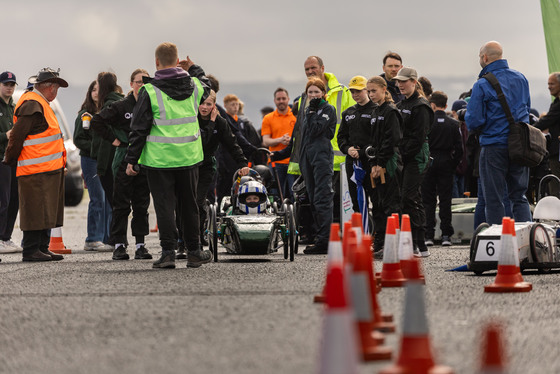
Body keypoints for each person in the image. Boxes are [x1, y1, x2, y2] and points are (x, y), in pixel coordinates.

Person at [125, 42, 213, 269]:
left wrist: (131, 160)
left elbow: (139, 128)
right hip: (189, 157)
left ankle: (167, 253)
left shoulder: (149, 91)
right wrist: (193, 67)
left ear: (156, 63)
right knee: (190, 205)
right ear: (176, 62)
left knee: (164, 207)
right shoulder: (194, 85)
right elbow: (208, 84)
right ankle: (194, 251)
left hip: (159, 160)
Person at [3, 67, 68, 262]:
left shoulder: (42, 103)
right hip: (35, 169)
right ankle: (31, 250)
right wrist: (9, 160)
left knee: (46, 210)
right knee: (35, 210)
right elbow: (17, 135)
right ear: (46, 87)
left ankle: (42, 247)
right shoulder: (32, 103)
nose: (56, 91)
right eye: (55, 87)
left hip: (47, 169)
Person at [465, 41, 532, 225]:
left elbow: (474, 120)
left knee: (494, 199)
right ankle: (527, 243)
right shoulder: (521, 78)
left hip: (494, 146)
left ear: (485, 57)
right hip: (519, 145)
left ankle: (499, 244)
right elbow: (527, 107)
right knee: (519, 197)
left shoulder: (482, 84)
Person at [91, 68, 153, 261]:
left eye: (145, 82)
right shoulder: (122, 106)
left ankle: (141, 245)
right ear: (131, 84)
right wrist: (114, 140)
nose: (141, 85)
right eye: (138, 82)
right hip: (123, 158)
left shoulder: (152, 105)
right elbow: (97, 121)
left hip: (146, 158)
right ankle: (119, 245)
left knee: (141, 205)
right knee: (121, 205)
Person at [180, 90, 249, 258]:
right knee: (183, 202)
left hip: (206, 166)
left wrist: (242, 163)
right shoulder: (191, 119)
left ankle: (195, 240)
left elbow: (232, 143)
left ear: (214, 106)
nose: (204, 107)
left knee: (197, 202)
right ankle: (181, 242)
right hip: (187, 165)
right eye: (202, 103)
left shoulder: (220, 122)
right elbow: (200, 141)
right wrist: (210, 124)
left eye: (208, 104)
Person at [299, 56, 355, 223]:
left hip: (338, 157)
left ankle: (333, 237)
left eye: (313, 68)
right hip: (313, 157)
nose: (310, 72)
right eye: (307, 69)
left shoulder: (342, 92)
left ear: (322, 68)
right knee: (317, 199)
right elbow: (301, 131)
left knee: (337, 202)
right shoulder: (305, 97)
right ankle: (323, 235)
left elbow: (352, 122)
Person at [393, 67, 434, 257]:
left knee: (411, 197)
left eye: (403, 81)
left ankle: (420, 242)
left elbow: (418, 137)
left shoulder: (421, 106)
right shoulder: (401, 105)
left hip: (416, 156)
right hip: (403, 155)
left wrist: (402, 153)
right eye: (398, 81)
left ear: (414, 82)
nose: (400, 84)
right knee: (406, 198)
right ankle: (413, 242)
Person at [293, 77, 337, 254]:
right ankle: (319, 237)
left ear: (323, 93)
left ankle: (325, 240)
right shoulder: (306, 110)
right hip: (307, 159)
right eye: (310, 92)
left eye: (316, 92)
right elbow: (303, 136)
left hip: (322, 158)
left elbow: (315, 130)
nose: (313, 95)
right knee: (312, 198)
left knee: (322, 199)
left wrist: (311, 112)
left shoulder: (327, 109)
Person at [365, 76, 403, 255]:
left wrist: (380, 163)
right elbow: (373, 141)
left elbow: (392, 139)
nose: (371, 94)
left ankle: (393, 243)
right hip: (377, 162)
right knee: (378, 204)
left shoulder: (391, 111)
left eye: (374, 91)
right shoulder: (375, 112)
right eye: (369, 91)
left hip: (390, 162)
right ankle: (379, 241)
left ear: (383, 89)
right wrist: (373, 163)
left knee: (391, 204)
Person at [73, 80, 112, 251]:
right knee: (98, 199)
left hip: (107, 160)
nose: (96, 92)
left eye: (99, 89)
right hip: (90, 160)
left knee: (109, 199)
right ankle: (92, 239)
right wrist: (97, 149)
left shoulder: (109, 112)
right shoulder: (84, 114)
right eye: (93, 90)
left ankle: (108, 238)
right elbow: (78, 139)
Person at [422, 91, 463, 247]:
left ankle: (429, 235)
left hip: (429, 161)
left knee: (428, 200)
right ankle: (446, 235)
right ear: (446, 105)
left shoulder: (427, 122)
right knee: (446, 200)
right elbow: (459, 149)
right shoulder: (453, 123)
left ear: (432, 105)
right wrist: (453, 164)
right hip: (446, 161)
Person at [337, 75, 376, 215]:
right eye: (353, 92)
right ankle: (359, 234)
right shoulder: (348, 113)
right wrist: (348, 149)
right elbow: (341, 137)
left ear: (367, 90)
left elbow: (378, 138)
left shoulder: (376, 110)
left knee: (375, 199)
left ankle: (377, 234)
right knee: (356, 200)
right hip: (352, 161)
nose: (355, 95)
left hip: (371, 162)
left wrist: (363, 151)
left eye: (358, 91)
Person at [216, 94, 259, 204]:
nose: (235, 107)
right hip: (226, 161)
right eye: (232, 105)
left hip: (238, 160)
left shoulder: (241, 123)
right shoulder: (225, 121)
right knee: (225, 189)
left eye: (237, 104)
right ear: (225, 106)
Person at [92, 72, 123, 208]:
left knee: (115, 204)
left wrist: (112, 139)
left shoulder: (109, 105)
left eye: (97, 85)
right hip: (121, 158)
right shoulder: (122, 100)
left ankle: (114, 230)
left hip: (111, 161)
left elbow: (96, 122)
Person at [261, 88, 296, 201]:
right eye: (279, 99)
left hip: (293, 162)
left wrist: (291, 141)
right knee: (275, 194)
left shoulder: (295, 116)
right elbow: (266, 141)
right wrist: (280, 140)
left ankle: (295, 217)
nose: (281, 101)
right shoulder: (268, 118)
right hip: (275, 162)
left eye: (283, 98)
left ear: (288, 99)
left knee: (294, 193)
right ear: (274, 101)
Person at [0, 71, 22, 255]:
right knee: (3, 200)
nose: (9, 87)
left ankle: (6, 237)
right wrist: (4, 135)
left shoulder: (13, 108)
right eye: (6, 84)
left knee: (15, 199)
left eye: (12, 84)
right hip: (1, 159)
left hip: (13, 159)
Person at [535, 72, 560, 196]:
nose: (549, 86)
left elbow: (546, 121)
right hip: (556, 151)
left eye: (552, 84)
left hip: (557, 153)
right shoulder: (556, 103)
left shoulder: (558, 105)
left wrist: (529, 130)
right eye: (548, 84)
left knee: (555, 187)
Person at [450, 99, 469, 198]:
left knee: (463, 197)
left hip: (464, 169)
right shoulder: (452, 126)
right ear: (454, 113)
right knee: (455, 199)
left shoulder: (468, 128)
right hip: (454, 168)